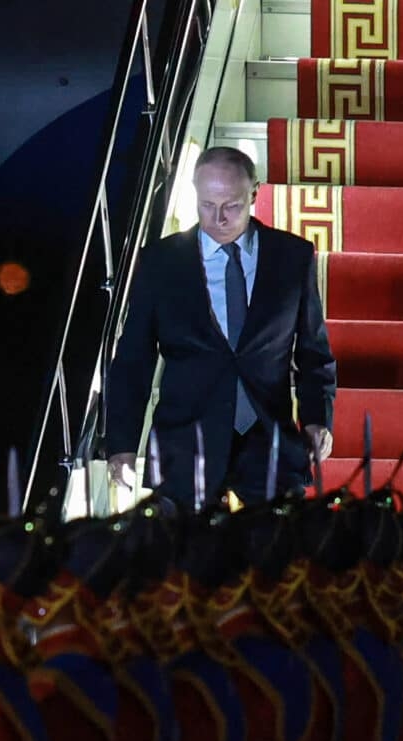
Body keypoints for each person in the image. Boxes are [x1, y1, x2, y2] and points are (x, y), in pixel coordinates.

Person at [104, 146, 336, 508]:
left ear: (254, 194)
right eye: (207, 205)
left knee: (282, 539)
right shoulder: (160, 262)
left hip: (268, 439)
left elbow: (313, 352)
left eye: (231, 206)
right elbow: (134, 359)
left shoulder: (292, 257)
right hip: (185, 444)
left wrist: (317, 419)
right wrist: (121, 444)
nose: (218, 219)